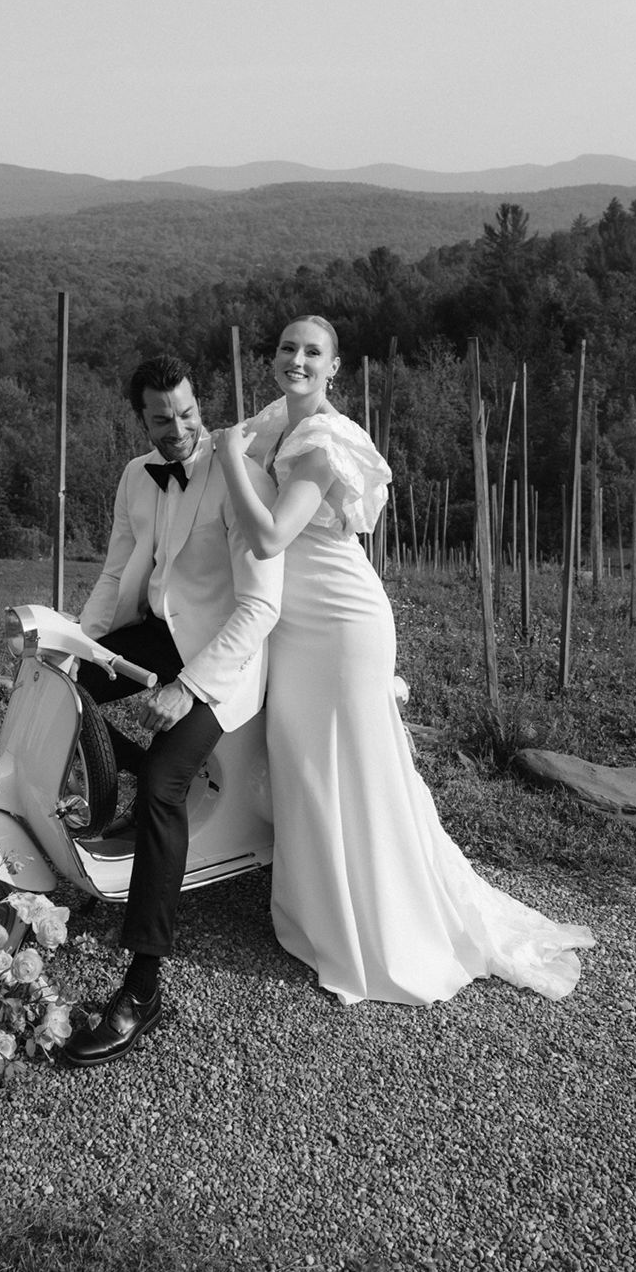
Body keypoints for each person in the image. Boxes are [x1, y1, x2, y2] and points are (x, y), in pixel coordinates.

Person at [211, 315, 594, 1006]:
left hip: (340, 623)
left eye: (312, 352)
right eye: (286, 348)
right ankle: (322, 905)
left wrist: (227, 459)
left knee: (349, 764)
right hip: (292, 625)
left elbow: (270, 536)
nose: (295, 358)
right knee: (302, 758)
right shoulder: (275, 420)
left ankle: (379, 924)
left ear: (336, 367)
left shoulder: (323, 442)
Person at [63, 354, 284, 1065]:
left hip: (226, 653)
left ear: (200, 406)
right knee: (64, 697)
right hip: (163, 631)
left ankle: (143, 984)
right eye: (163, 420)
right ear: (143, 420)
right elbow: (112, 571)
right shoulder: (136, 475)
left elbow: (259, 606)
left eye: (188, 414)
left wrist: (189, 687)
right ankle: (77, 846)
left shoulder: (239, 470)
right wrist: (78, 648)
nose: (179, 429)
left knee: (161, 783)